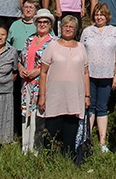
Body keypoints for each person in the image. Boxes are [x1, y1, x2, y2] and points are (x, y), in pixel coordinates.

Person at [37, 15, 90, 159]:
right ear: (61, 28)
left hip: (74, 97)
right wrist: (42, 96)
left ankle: (69, 161)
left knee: (70, 134)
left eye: (71, 27)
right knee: (51, 133)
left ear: (75, 30)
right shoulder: (52, 45)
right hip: (55, 97)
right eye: (66, 26)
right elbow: (43, 72)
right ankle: (49, 161)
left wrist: (87, 96)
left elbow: (86, 73)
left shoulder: (81, 47)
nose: (68, 29)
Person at [81, 3, 116, 153]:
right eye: (97, 14)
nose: (99, 17)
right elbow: (82, 53)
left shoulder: (114, 32)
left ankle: (102, 141)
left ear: (107, 17)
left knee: (102, 107)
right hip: (89, 75)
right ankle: (86, 139)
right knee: (89, 107)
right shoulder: (87, 32)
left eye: (102, 14)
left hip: (107, 75)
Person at [19, 8, 54, 154]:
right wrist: (20, 68)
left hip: (41, 84)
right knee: (25, 114)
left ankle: (35, 149)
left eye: (45, 22)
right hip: (26, 83)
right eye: (39, 21)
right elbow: (21, 58)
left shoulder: (53, 42)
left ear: (50, 24)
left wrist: (37, 71)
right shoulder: (29, 39)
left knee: (37, 116)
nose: (42, 24)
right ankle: (24, 147)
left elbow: (52, 64)